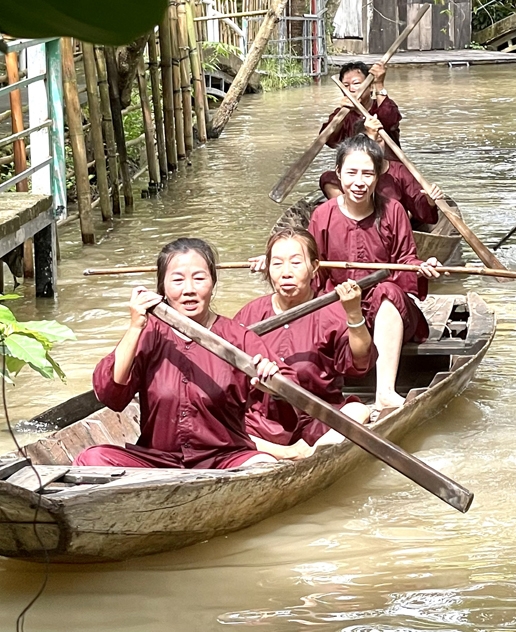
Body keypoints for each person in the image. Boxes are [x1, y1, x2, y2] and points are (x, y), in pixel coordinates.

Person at [75, 237, 298, 470]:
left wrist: (272, 383)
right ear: (163, 288)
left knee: (263, 465)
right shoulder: (150, 334)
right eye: (178, 280)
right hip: (159, 462)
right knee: (91, 460)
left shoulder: (236, 336)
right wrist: (134, 327)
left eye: (199, 279)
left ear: (212, 283)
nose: (189, 290)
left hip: (224, 459)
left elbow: (290, 390)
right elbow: (111, 394)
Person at [308, 134, 442, 412]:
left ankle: (385, 392)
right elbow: (313, 268)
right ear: (338, 174)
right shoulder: (322, 215)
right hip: (341, 303)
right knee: (322, 307)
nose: (359, 182)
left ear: (379, 176)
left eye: (367, 173)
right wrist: (282, 262)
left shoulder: (393, 210)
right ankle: (320, 392)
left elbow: (406, 260)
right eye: (352, 173)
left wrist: (422, 267)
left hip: (385, 308)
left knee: (387, 291)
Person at [235, 227, 374, 459]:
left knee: (358, 410)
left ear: (314, 268)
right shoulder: (251, 313)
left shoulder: (331, 312)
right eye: (277, 264)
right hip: (260, 421)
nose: (286, 273)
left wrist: (353, 314)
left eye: (296, 263)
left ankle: (309, 454)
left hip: (314, 419)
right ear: (268, 269)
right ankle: (292, 454)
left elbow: (360, 363)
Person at [318, 117, 441, 227]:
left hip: (392, 229)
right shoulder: (337, 178)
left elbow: (424, 213)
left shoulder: (399, 172)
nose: (376, 146)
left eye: (380, 140)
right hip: (352, 226)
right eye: (371, 141)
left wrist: (429, 201)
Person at [320, 60, 399, 151]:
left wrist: (379, 85)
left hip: (388, 163)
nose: (351, 89)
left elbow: (389, 121)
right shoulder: (341, 113)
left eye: (356, 83)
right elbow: (328, 140)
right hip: (355, 164)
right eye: (346, 85)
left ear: (371, 87)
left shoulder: (384, 106)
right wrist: (341, 115)